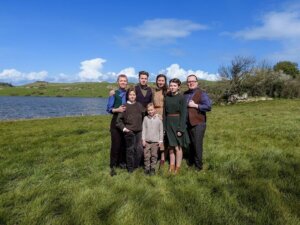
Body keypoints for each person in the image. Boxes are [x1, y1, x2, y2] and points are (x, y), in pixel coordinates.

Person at [184, 74, 211, 171]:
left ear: (197, 83)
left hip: (198, 123)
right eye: (189, 81)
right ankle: (191, 162)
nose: (191, 83)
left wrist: (196, 105)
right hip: (187, 124)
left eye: (193, 81)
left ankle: (198, 166)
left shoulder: (202, 93)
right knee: (190, 144)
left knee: (197, 145)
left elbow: (208, 106)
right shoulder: (185, 94)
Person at [116, 87, 145, 173]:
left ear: (136, 96)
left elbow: (144, 116)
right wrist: (124, 129)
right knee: (130, 150)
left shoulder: (139, 105)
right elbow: (118, 121)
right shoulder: (124, 106)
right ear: (128, 96)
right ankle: (130, 168)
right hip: (129, 132)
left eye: (134, 94)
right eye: (130, 94)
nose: (132, 96)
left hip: (139, 131)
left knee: (139, 150)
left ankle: (136, 166)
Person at [164, 78, 189, 174]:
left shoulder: (182, 98)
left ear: (178, 87)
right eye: (171, 85)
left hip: (178, 123)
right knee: (171, 147)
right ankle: (171, 165)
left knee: (178, 147)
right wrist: (165, 127)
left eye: (174, 86)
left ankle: (177, 167)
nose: (172, 87)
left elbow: (183, 114)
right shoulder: (167, 97)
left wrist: (181, 128)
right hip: (168, 123)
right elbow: (165, 113)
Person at [106, 74, 128, 176]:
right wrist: (117, 109)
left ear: (127, 82)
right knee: (116, 144)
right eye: (121, 80)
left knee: (124, 143)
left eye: (125, 81)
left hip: (126, 121)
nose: (123, 82)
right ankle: (113, 166)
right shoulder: (114, 94)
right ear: (118, 82)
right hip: (115, 120)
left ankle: (122, 163)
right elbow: (109, 109)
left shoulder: (129, 93)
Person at [142, 103, 164, 175]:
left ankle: (153, 168)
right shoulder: (145, 119)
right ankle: (147, 168)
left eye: (151, 110)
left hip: (155, 142)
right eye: (148, 110)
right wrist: (143, 139)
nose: (150, 111)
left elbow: (161, 130)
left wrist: (160, 140)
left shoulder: (158, 119)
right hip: (147, 141)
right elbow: (144, 130)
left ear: (154, 110)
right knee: (146, 156)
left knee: (154, 155)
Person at [152, 74, 168, 166]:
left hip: (164, 114)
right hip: (155, 113)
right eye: (159, 80)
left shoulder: (167, 91)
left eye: (162, 80)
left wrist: (164, 115)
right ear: (157, 81)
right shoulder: (154, 91)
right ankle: (155, 155)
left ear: (165, 81)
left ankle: (163, 157)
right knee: (156, 136)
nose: (161, 82)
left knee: (163, 136)